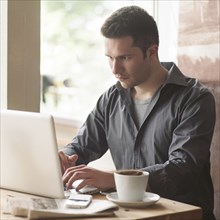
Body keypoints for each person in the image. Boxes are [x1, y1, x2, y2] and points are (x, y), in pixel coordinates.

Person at [59, 6, 216, 220]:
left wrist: (115, 179)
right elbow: (81, 146)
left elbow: (183, 168)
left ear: (151, 52)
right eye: (110, 57)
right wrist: (65, 158)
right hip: (129, 215)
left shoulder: (195, 99)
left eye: (124, 58)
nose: (115, 69)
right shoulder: (111, 98)